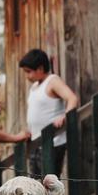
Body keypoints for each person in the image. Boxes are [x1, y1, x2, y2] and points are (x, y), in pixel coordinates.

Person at [19, 49, 78, 177]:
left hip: (52, 143)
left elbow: (72, 98)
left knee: (49, 185)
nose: (27, 76)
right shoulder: (34, 86)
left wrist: (64, 116)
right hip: (35, 142)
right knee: (35, 184)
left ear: (40, 68)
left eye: (29, 72)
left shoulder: (52, 81)